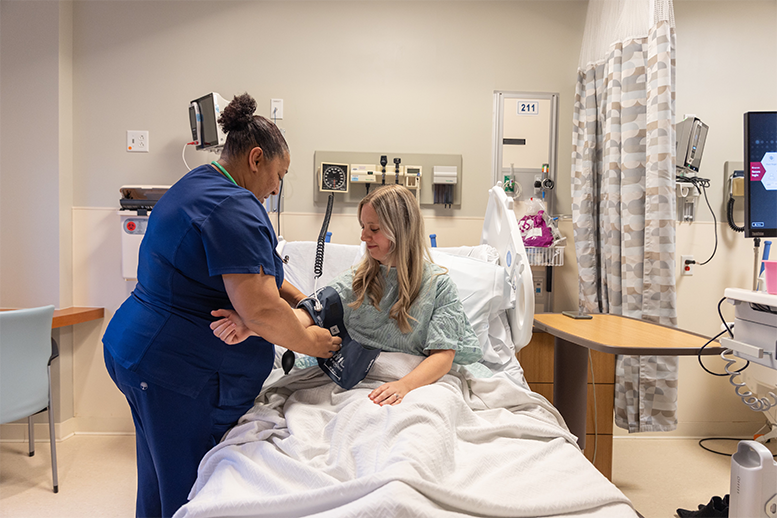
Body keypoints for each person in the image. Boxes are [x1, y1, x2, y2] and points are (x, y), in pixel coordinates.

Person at [102, 93, 341, 518]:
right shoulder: (236, 206)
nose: (276, 187)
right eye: (279, 174)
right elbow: (261, 311)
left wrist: (303, 299)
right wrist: (311, 342)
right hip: (174, 372)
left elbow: (255, 276)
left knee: (157, 477)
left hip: (139, 353)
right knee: (190, 492)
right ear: (255, 159)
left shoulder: (198, 184)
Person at [211, 184, 482, 406]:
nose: (364, 236)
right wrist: (250, 325)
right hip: (354, 378)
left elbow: (443, 355)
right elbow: (308, 316)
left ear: (401, 230)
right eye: (363, 226)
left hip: (411, 381)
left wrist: (404, 386)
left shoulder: (438, 285)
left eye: (374, 229)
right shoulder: (358, 280)